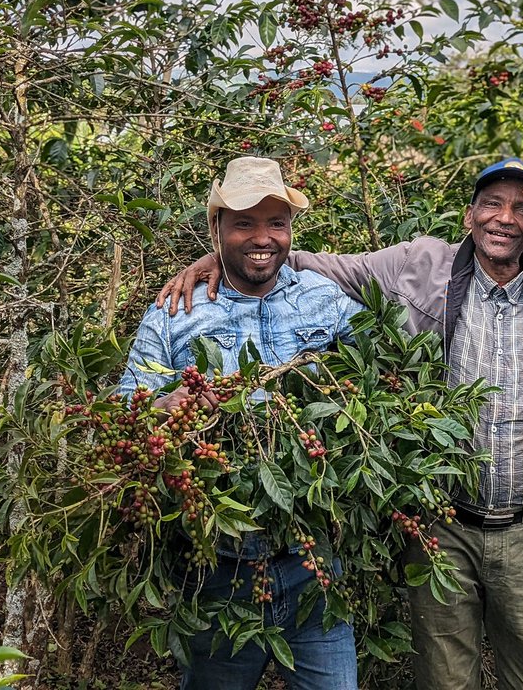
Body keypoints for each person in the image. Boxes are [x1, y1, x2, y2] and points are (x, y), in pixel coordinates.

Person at [158, 157, 523, 690]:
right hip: (440, 525)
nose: (504, 218)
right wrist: (224, 257)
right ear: (469, 216)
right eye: (491, 204)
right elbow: (318, 265)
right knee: (442, 680)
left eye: (522, 209)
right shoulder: (421, 264)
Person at [119, 156, 362, 690]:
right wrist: (165, 406)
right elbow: (122, 409)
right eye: (245, 222)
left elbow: (379, 373)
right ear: (217, 230)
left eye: (276, 222)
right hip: (215, 572)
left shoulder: (325, 300)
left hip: (311, 563)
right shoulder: (174, 312)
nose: (262, 237)